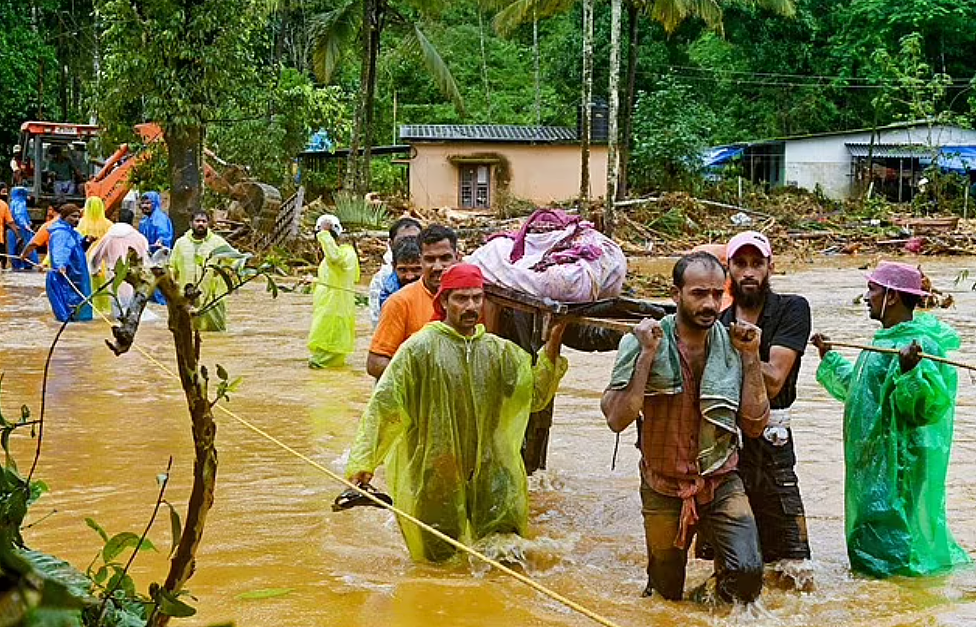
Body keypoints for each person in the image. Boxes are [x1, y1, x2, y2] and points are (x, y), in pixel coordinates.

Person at [346, 263, 569, 562]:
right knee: (439, 561)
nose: (471, 306)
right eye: (461, 298)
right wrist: (365, 461)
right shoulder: (419, 349)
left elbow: (534, 397)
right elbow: (385, 406)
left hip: (491, 471)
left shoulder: (500, 352)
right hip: (436, 472)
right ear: (444, 301)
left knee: (503, 557)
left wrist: (552, 348)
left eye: (477, 298)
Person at [601, 251, 769, 604]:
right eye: (698, 294)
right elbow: (617, 418)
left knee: (749, 574)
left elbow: (755, 425)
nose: (710, 304)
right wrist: (647, 356)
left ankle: (703, 604)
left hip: (720, 477)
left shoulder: (735, 345)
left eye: (716, 294)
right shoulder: (641, 341)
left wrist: (752, 357)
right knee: (664, 592)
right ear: (675, 294)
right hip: (663, 483)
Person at [811, 262, 971, 578]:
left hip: (901, 461)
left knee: (895, 535)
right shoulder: (884, 341)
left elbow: (925, 409)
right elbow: (861, 392)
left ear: (892, 296)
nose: (867, 296)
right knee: (873, 530)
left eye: (873, 289)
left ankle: (900, 597)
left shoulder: (921, 346)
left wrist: (912, 371)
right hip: (873, 462)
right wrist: (828, 355)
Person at [718, 231, 813, 589]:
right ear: (728, 268)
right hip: (725, 443)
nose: (748, 272)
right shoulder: (717, 319)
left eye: (757, 263)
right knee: (726, 566)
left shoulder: (793, 308)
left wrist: (745, 351)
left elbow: (774, 382)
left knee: (794, 567)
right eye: (740, 264)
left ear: (771, 267)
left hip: (773, 442)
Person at [366, 224, 459, 379]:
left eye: (445, 258)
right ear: (421, 260)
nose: (437, 267)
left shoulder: (472, 299)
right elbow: (375, 363)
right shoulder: (399, 302)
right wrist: (423, 378)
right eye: (430, 259)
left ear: (458, 257)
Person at [169, 210, 241, 331]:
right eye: (197, 221)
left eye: (204, 221)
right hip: (187, 297)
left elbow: (237, 259)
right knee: (187, 332)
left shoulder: (217, 242)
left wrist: (230, 273)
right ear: (191, 223)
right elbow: (172, 268)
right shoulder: (181, 243)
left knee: (216, 335)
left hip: (213, 298)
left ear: (209, 224)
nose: (200, 224)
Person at [307, 214, 360, 368]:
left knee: (322, 363)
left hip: (335, 313)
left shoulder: (346, 254)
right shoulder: (335, 256)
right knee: (323, 365)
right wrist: (314, 281)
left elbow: (336, 259)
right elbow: (332, 278)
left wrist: (324, 233)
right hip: (327, 312)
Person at [87, 208, 151, 318]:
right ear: (131, 221)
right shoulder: (139, 237)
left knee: (117, 305)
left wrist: (94, 270)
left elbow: (95, 256)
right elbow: (146, 258)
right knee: (134, 305)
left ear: (117, 219)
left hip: (113, 275)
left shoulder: (108, 237)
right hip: (134, 276)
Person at [368, 217, 422, 327]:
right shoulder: (383, 280)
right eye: (403, 240)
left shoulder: (435, 274)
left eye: (415, 239)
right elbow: (379, 322)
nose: (409, 276)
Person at [46, 204, 93, 322]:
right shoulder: (60, 233)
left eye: (78, 217)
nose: (77, 220)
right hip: (66, 275)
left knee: (81, 302)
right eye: (73, 216)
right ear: (64, 216)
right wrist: (60, 265)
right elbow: (59, 250)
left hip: (77, 274)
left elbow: (78, 248)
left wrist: (87, 241)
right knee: (69, 307)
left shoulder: (73, 232)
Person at [378, 237, 422, 308]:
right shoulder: (388, 296)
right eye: (403, 270)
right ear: (393, 267)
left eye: (416, 269)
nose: (409, 277)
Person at [7, 187, 37, 270]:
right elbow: (19, 214)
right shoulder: (20, 202)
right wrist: (26, 225)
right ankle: (27, 265)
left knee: (14, 249)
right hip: (21, 230)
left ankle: (16, 266)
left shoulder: (12, 202)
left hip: (13, 230)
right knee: (25, 248)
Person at [137, 191, 174, 255]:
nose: (144, 206)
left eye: (148, 203)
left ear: (155, 203)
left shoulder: (160, 219)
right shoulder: (144, 221)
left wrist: (161, 242)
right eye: (142, 203)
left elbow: (164, 237)